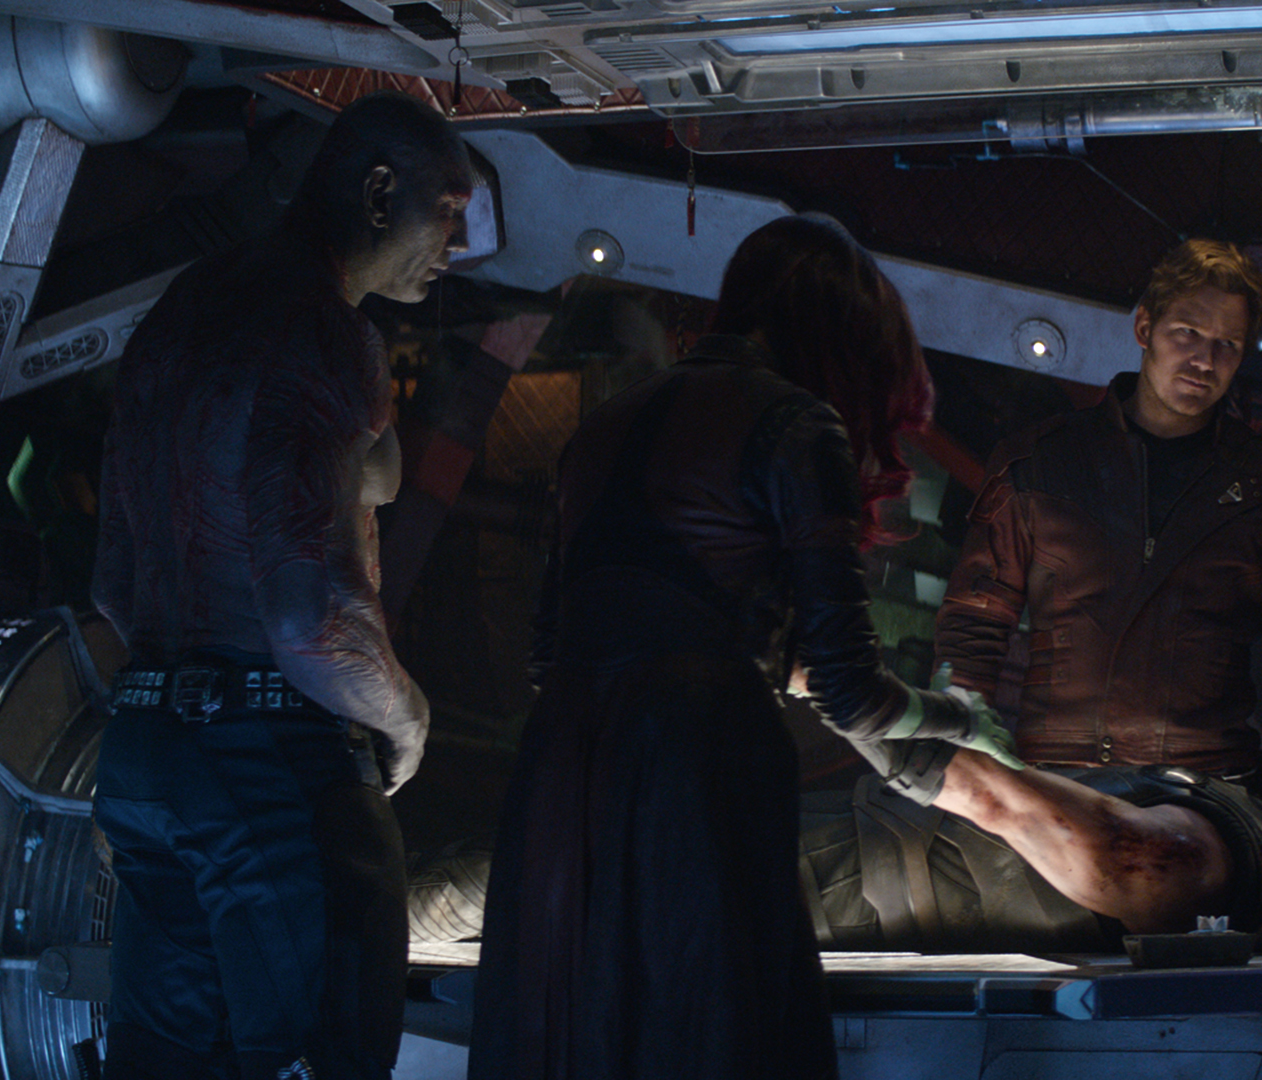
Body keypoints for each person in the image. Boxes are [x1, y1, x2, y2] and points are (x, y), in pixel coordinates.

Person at [468, 214, 1019, 1080]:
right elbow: (851, 693)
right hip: (699, 769)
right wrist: (962, 717)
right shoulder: (797, 423)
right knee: (712, 1031)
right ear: (840, 333)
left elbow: (551, 655)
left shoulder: (601, 426)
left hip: (564, 773)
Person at [90, 91, 466, 1080]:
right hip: (270, 767)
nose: (457, 245)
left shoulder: (181, 312)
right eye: (449, 211)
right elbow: (307, 615)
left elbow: (115, 582)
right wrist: (405, 717)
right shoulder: (323, 330)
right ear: (379, 193)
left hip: (145, 753)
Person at [934, 238, 1262, 787]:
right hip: (1059, 779)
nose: (1205, 361)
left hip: (1208, 783)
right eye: (1188, 333)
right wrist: (961, 769)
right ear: (1145, 328)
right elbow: (974, 627)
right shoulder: (1037, 463)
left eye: (1227, 344)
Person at [799, 739, 1262, 952]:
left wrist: (846, 690)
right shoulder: (1252, 841)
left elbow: (1001, 803)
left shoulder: (1208, 856)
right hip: (851, 854)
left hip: (832, 884)